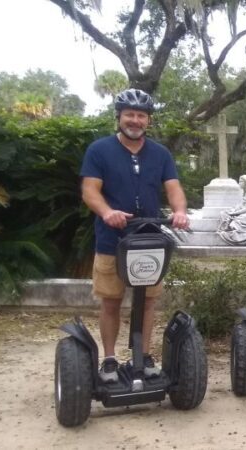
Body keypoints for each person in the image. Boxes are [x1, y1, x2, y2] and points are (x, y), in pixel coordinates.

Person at [80, 88, 190, 383]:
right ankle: (110, 359)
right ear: (119, 117)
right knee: (111, 301)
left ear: (148, 121)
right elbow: (90, 190)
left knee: (149, 301)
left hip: (149, 239)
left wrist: (179, 211)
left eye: (141, 115)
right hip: (111, 239)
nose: (135, 120)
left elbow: (173, 188)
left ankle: (143, 355)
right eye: (129, 114)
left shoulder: (160, 153)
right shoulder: (99, 150)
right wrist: (106, 212)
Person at [218, 174, 246, 245]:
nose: (239, 183)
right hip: (244, 211)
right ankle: (226, 227)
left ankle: (230, 227)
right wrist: (234, 210)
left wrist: (234, 213)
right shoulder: (245, 192)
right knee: (224, 213)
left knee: (235, 221)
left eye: (241, 181)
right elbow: (242, 204)